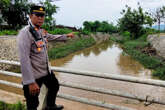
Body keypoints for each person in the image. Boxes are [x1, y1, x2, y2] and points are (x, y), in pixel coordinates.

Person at [17, 5, 74, 110]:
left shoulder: (40, 31)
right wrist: (30, 82)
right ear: (30, 16)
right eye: (37, 15)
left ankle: (50, 106)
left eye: (42, 16)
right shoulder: (25, 33)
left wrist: (66, 36)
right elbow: (24, 59)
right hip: (34, 76)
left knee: (55, 86)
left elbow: (51, 36)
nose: (40, 18)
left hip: (46, 72)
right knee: (33, 104)